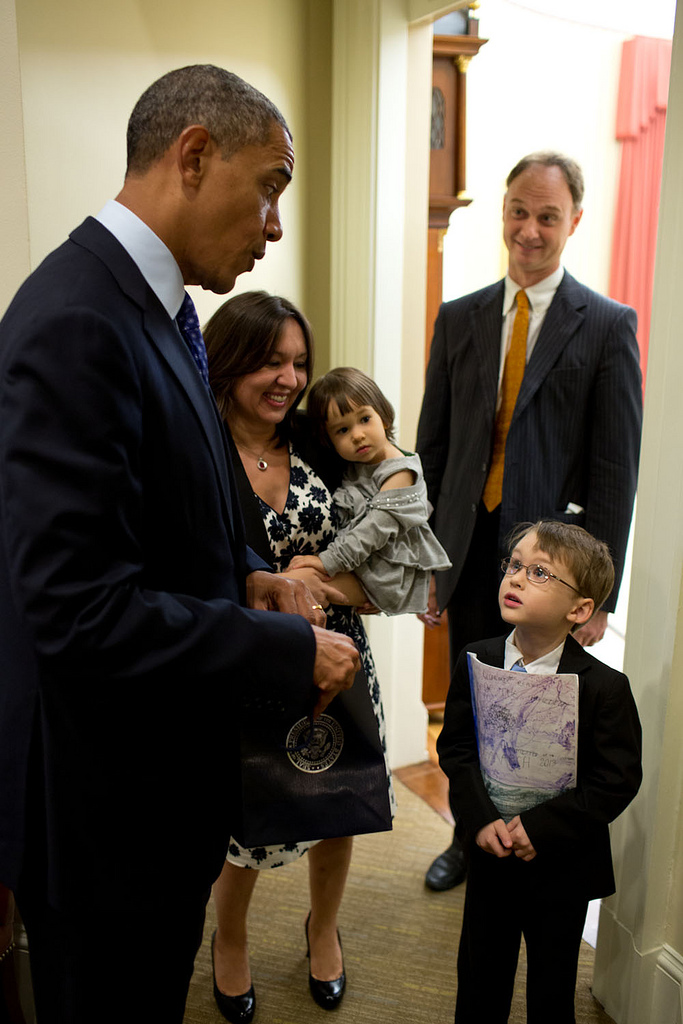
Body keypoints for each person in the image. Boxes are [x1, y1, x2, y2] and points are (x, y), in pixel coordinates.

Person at [0, 66, 360, 1024]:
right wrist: (283, 647)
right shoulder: (80, 319)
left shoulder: (157, 312)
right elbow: (80, 609)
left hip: (152, 795)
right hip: (102, 810)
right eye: (270, 186)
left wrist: (246, 580)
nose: (274, 224)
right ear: (193, 156)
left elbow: (147, 529)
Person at [416, 151, 643, 891]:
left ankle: (531, 835)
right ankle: (464, 834)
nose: (529, 229)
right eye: (518, 210)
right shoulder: (458, 318)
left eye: (547, 215)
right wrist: (424, 558)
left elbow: (614, 468)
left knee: (537, 709)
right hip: (465, 542)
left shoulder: (607, 326)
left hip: (548, 563)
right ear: (503, 211)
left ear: (573, 221)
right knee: (471, 697)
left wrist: (594, 593)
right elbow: (432, 447)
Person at [204, 292, 395, 1021]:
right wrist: (278, 595)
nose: (288, 378)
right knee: (241, 821)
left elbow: (391, 567)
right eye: (270, 361)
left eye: (298, 363)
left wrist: (318, 581)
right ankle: (229, 939)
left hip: (339, 655)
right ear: (229, 361)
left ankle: (323, 928)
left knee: (337, 805)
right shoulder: (201, 449)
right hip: (246, 659)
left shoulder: (320, 442)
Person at [437, 520, 642, 1024]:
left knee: (552, 988)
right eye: (514, 565)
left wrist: (543, 827)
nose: (516, 577)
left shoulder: (605, 688)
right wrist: (479, 819)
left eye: (540, 572)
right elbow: (457, 747)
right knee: (480, 977)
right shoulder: (474, 658)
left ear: (580, 610)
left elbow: (617, 778)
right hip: (491, 855)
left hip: (562, 864)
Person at [288, 366, 451, 615]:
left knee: (293, 585)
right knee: (292, 583)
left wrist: (326, 561)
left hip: (386, 574)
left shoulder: (400, 472)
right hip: (360, 563)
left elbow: (372, 531)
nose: (357, 435)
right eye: (342, 430)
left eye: (365, 419)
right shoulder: (355, 465)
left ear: (383, 416)